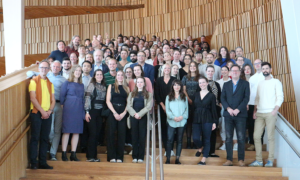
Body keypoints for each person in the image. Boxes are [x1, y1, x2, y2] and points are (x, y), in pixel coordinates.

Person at [249, 62, 283, 167]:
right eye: (263, 69)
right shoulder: (260, 83)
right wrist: (255, 111)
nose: (265, 70)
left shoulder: (276, 82)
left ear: (271, 70)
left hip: (270, 113)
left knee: (270, 137)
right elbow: (257, 98)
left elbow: (280, 97)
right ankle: (259, 160)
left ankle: (270, 160)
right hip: (259, 113)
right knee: (256, 136)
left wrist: (275, 110)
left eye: (267, 68)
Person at [221, 65, 250, 167]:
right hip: (228, 114)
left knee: (241, 138)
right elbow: (222, 98)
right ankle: (229, 159)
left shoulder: (245, 84)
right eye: (233, 71)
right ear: (230, 73)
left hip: (240, 114)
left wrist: (238, 109)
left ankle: (241, 160)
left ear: (239, 72)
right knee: (228, 138)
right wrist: (228, 109)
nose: (234, 72)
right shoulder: (226, 84)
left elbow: (246, 99)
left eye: (236, 71)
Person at [29, 60, 55, 170]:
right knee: (35, 138)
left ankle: (43, 162)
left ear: (49, 70)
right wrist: (42, 112)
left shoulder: (50, 83)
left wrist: (49, 111)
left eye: (46, 68)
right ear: (39, 69)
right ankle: (33, 162)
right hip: (36, 113)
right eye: (42, 68)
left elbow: (53, 100)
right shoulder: (33, 81)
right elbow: (32, 98)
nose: (44, 70)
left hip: (47, 114)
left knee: (45, 138)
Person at [60, 65, 85, 162]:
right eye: (77, 70)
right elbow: (62, 97)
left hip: (79, 108)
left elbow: (83, 98)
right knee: (67, 131)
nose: (78, 72)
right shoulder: (67, 83)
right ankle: (63, 153)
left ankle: (73, 154)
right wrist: (64, 107)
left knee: (76, 131)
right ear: (73, 71)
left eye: (80, 71)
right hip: (69, 108)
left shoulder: (82, 85)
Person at [127, 77, 153, 163]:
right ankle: (135, 156)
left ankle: (141, 157)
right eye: (138, 82)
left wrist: (140, 114)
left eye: (141, 82)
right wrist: (135, 114)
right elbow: (128, 106)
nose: (139, 84)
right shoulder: (131, 94)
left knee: (142, 137)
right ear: (136, 83)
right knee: (134, 137)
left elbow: (148, 106)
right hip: (133, 117)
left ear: (144, 83)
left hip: (143, 117)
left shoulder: (149, 94)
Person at [193, 76, 218, 165]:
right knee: (195, 138)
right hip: (196, 118)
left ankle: (203, 159)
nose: (202, 84)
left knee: (207, 139)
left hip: (208, 118)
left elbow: (214, 110)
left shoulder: (211, 96)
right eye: (200, 83)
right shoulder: (196, 94)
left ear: (207, 83)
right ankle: (200, 147)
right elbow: (193, 107)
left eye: (203, 82)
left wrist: (215, 122)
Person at [106, 71, 130, 163]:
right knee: (111, 134)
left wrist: (124, 113)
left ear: (124, 77)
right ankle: (111, 156)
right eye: (118, 75)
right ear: (116, 77)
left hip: (123, 111)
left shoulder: (127, 88)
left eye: (122, 75)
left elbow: (129, 102)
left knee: (121, 134)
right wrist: (115, 113)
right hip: (113, 110)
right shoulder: (111, 86)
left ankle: (120, 157)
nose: (120, 77)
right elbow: (108, 101)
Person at [84, 69, 107, 162]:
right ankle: (90, 156)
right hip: (92, 111)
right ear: (94, 76)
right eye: (97, 74)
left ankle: (94, 156)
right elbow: (87, 98)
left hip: (100, 112)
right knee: (93, 134)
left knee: (97, 134)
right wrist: (87, 111)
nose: (99, 76)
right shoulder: (91, 85)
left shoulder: (104, 86)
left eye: (101, 74)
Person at [165, 80, 188, 164]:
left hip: (182, 122)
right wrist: (173, 117)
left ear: (180, 86)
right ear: (172, 86)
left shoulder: (184, 96)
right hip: (172, 121)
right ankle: (168, 158)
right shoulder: (168, 97)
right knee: (170, 140)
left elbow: (186, 110)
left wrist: (182, 117)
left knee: (179, 140)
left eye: (178, 85)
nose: (176, 87)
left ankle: (177, 159)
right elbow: (167, 110)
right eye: (175, 85)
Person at [155, 64, 177, 152]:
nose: (167, 69)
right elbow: (157, 94)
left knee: (172, 128)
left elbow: (176, 93)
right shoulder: (159, 80)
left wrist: (170, 107)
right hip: (162, 108)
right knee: (163, 128)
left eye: (168, 68)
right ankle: (167, 149)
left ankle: (171, 148)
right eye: (165, 68)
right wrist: (163, 106)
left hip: (173, 108)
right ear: (162, 70)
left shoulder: (174, 80)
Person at [217, 66, 238, 151]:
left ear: (229, 72)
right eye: (222, 70)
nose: (224, 71)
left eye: (226, 70)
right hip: (222, 107)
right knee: (222, 125)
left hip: (232, 107)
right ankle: (224, 143)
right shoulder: (218, 82)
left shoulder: (232, 81)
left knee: (234, 125)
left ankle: (235, 144)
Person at [247, 59, 266, 151]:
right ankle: (252, 143)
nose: (257, 65)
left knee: (260, 124)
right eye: (255, 64)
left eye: (259, 63)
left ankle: (260, 143)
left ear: (261, 64)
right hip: (251, 103)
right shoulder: (252, 77)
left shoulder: (267, 76)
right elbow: (249, 92)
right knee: (251, 124)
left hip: (262, 104)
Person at [182, 61, 201, 149]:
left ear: (196, 67)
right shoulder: (185, 77)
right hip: (187, 101)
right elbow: (183, 90)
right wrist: (188, 99)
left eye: (194, 66)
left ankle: (195, 142)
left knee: (196, 122)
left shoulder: (200, 77)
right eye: (191, 66)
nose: (192, 67)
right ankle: (189, 142)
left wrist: (196, 100)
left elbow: (202, 89)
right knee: (189, 122)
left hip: (198, 102)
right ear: (189, 68)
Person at [205, 65, 222, 157]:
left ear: (214, 72)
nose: (210, 73)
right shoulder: (202, 83)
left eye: (212, 71)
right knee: (205, 130)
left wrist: (220, 105)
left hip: (215, 110)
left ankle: (212, 151)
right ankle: (205, 150)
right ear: (206, 72)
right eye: (209, 71)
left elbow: (220, 97)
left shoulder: (217, 84)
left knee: (213, 130)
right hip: (205, 110)